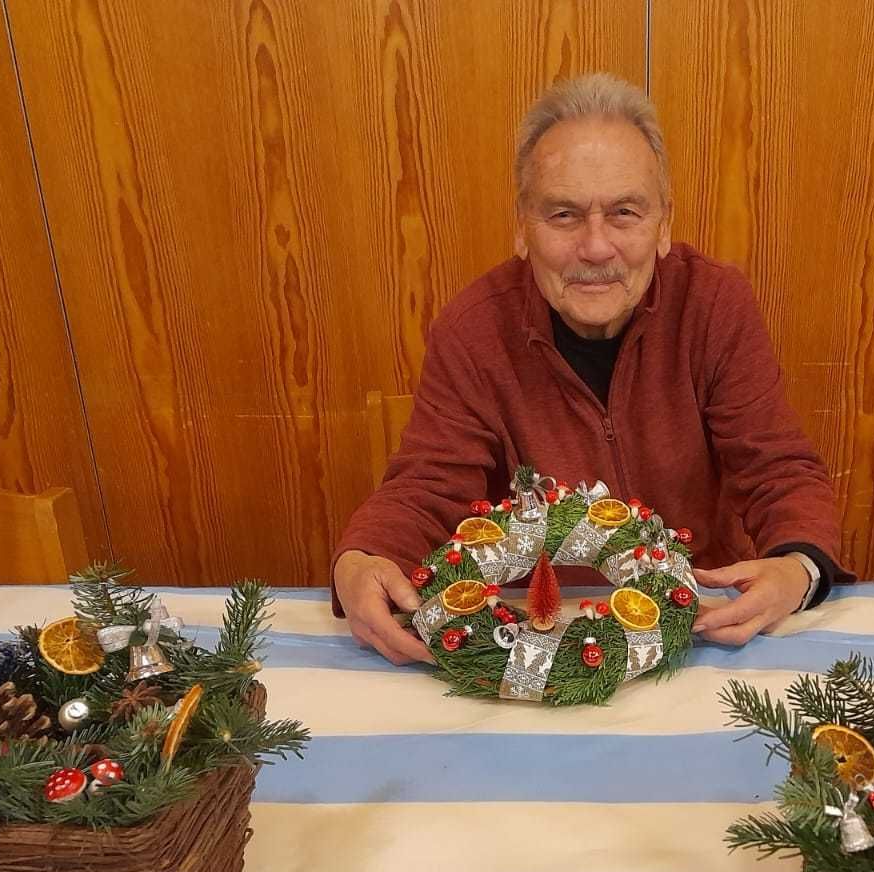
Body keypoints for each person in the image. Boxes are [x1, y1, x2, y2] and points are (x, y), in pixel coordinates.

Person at [333, 73, 847, 665]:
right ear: (522, 226)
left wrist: (798, 566)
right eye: (564, 214)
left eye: (625, 212)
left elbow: (777, 469)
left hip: (695, 627)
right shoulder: (473, 329)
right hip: (537, 638)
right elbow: (427, 486)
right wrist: (362, 557)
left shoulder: (713, 304)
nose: (597, 247)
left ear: (664, 224)